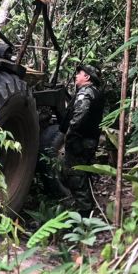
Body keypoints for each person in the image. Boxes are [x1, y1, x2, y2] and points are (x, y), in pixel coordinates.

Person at [60, 63, 105, 210]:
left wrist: (70, 135)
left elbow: (79, 116)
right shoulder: (96, 92)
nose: (76, 76)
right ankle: (87, 206)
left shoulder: (85, 93)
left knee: (76, 176)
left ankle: (84, 212)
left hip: (80, 141)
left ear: (87, 76)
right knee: (84, 174)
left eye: (79, 73)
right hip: (89, 140)